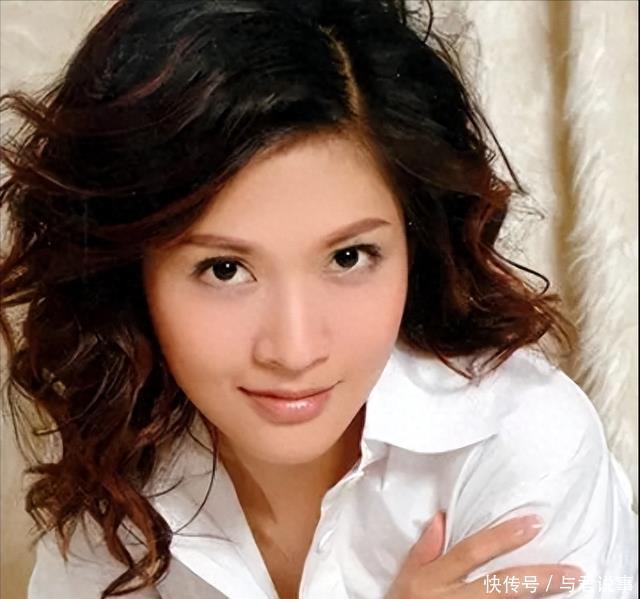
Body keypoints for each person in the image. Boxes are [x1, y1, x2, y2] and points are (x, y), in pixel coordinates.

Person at [0, 1, 636, 598]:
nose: (294, 349)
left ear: (415, 243)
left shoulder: (519, 440)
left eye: (348, 258)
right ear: (127, 270)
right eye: (225, 269)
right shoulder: (115, 453)